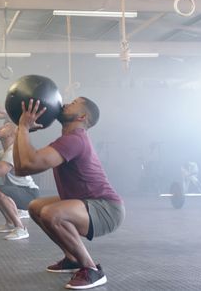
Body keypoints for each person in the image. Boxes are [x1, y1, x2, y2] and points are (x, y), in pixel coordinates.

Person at [13, 97, 124, 290]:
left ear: (82, 116)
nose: (65, 104)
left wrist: (23, 128)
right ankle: (72, 259)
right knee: (36, 207)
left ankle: (91, 269)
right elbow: (21, 168)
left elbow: (30, 164)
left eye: (72, 103)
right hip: (87, 202)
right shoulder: (68, 139)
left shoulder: (75, 139)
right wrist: (20, 130)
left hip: (107, 208)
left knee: (52, 213)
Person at [0, 121, 40, 240]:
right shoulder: (2, 153)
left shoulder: (13, 152)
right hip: (18, 191)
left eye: (5, 126)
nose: (0, 127)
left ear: (13, 133)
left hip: (30, 194)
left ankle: (21, 229)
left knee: (0, 192)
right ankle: (10, 223)